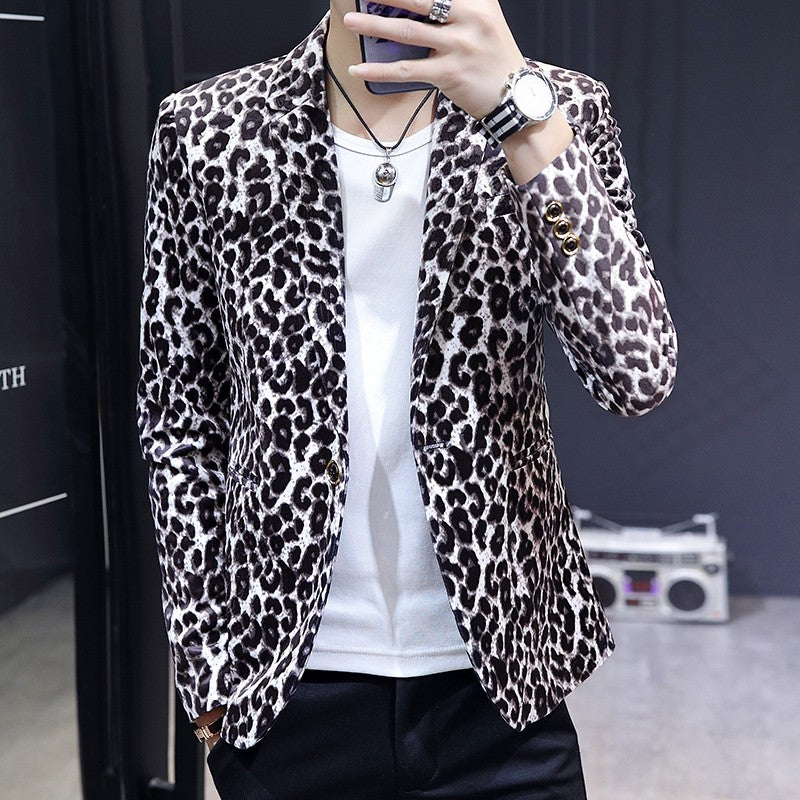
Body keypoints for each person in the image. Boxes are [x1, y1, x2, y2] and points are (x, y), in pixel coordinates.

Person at [137, 1, 678, 797]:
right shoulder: (210, 128)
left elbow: (635, 371)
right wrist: (206, 663)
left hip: (498, 682)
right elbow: (178, 413)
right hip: (286, 684)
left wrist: (522, 121)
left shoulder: (558, 109)